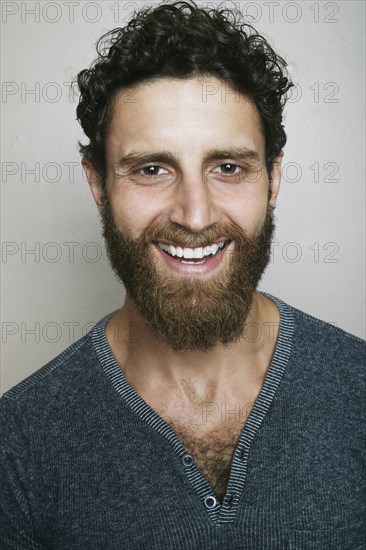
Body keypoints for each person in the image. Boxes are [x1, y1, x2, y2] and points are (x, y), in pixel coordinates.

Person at [1, 1, 365, 548]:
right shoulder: (19, 444)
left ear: (273, 178)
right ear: (98, 185)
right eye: (151, 169)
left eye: (228, 168)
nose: (194, 214)